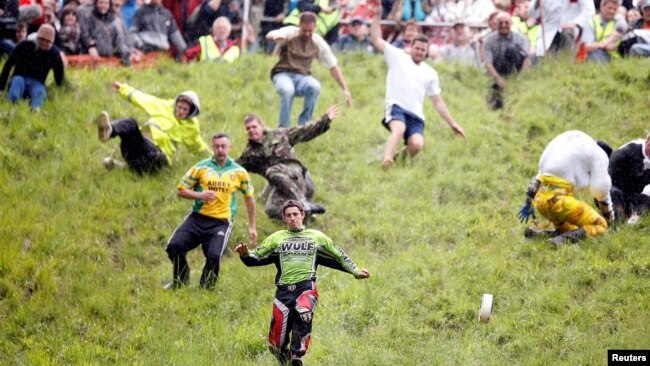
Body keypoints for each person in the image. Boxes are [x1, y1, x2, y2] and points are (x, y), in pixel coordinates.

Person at [234, 199, 370, 366]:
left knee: (304, 311)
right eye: (289, 215)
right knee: (275, 344)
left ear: (303, 215)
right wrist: (244, 254)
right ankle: (286, 360)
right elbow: (256, 256)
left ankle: (296, 356)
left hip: (306, 288)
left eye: (295, 214)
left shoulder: (317, 237)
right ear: (284, 218)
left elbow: (339, 255)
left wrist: (355, 271)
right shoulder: (276, 238)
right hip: (283, 292)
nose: (293, 218)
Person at [369, 0, 466, 171]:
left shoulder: (430, 73)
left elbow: (438, 102)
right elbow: (376, 39)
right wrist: (377, 15)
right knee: (398, 130)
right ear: (411, 47)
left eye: (423, 50)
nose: (420, 52)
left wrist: (453, 123)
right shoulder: (398, 57)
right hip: (397, 106)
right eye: (417, 48)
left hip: (416, 115)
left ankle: (394, 162)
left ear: (427, 51)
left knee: (417, 145)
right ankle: (385, 160)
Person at [165, 132, 257, 290]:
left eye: (223, 146)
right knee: (174, 246)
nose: (220, 150)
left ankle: (206, 290)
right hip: (197, 218)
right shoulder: (201, 167)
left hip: (221, 223)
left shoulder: (239, 172)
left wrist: (252, 226)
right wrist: (200, 195)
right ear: (212, 147)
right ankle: (180, 281)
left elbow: (249, 198)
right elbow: (181, 190)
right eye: (216, 146)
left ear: (229, 147)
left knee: (214, 256)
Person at [236, 105, 339, 219]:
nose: (251, 130)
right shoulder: (249, 154)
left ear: (261, 126)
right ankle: (305, 214)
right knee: (271, 209)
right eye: (248, 128)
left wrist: (326, 119)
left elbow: (305, 130)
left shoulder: (279, 134)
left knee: (271, 171)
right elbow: (234, 168)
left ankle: (302, 202)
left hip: (298, 175)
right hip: (282, 184)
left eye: (254, 126)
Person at [517, 130, 614, 246]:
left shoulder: (574, 144)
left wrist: (528, 203)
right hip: (559, 201)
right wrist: (608, 215)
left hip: (541, 200)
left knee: (572, 228)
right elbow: (600, 190)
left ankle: (541, 234)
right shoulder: (599, 154)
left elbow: (538, 178)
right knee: (601, 226)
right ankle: (560, 241)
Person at [94, 81, 210, 174]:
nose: (180, 111)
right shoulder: (164, 106)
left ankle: (122, 167)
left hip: (156, 156)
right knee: (131, 123)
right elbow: (142, 98)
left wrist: (216, 157)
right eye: (179, 107)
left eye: (185, 110)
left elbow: (198, 146)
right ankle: (108, 131)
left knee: (155, 157)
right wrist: (122, 88)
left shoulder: (191, 128)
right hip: (138, 146)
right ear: (176, 104)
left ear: (191, 112)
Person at [267, 12, 352, 128]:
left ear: (314, 28)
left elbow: (333, 66)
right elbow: (271, 34)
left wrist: (345, 89)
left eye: (310, 31)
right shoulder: (291, 33)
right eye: (304, 30)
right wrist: (275, 37)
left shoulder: (318, 42)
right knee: (287, 90)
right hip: (283, 73)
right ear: (299, 26)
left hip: (302, 77)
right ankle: (284, 130)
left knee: (315, 86)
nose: (307, 34)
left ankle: (304, 126)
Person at [0, 23, 64, 110]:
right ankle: (12, 106)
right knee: (17, 84)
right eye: (42, 39)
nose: (44, 43)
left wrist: (61, 87)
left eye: (47, 41)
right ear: (38, 37)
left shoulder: (54, 53)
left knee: (40, 92)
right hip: (20, 76)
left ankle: (35, 110)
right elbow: (8, 64)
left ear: (51, 42)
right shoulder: (25, 45)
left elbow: (59, 72)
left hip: (37, 82)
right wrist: (1, 86)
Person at [483, 12, 530, 110]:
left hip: (516, 70)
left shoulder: (520, 38)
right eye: (501, 23)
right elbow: (488, 63)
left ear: (511, 24)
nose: (504, 25)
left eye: (506, 23)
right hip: (498, 71)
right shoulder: (489, 40)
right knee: (494, 102)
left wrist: (521, 78)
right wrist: (498, 78)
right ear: (497, 24)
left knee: (512, 49)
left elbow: (527, 59)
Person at [527, 0, 595, 57]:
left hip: (572, 28)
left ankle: (566, 63)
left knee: (567, 33)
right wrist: (537, 3)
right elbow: (532, 14)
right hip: (549, 30)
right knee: (544, 58)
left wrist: (575, 23)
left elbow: (590, 10)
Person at [608, 134, 650, 224]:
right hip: (616, 188)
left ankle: (635, 216)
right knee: (614, 193)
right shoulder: (629, 151)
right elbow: (610, 172)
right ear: (647, 140)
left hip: (634, 194)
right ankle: (617, 220)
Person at [79, 0, 131, 65]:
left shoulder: (113, 17)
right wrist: (91, 46)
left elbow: (119, 40)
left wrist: (128, 52)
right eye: (101, 2)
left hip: (109, 57)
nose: (103, 6)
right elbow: (84, 32)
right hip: (91, 56)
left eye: (106, 3)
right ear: (96, 3)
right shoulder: (84, 11)